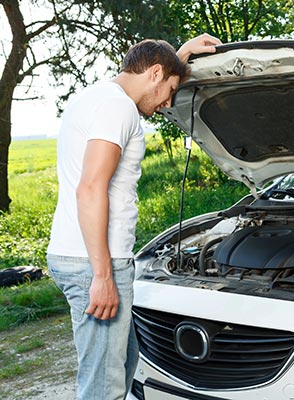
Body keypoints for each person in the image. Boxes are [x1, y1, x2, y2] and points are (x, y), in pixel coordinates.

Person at [46, 33, 221, 400]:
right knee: (103, 385)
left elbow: (154, 67)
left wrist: (182, 54)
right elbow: (91, 189)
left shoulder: (100, 96)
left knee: (124, 362)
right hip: (92, 261)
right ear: (155, 73)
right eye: (170, 89)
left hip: (81, 255)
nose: (168, 102)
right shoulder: (118, 109)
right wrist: (103, 275)